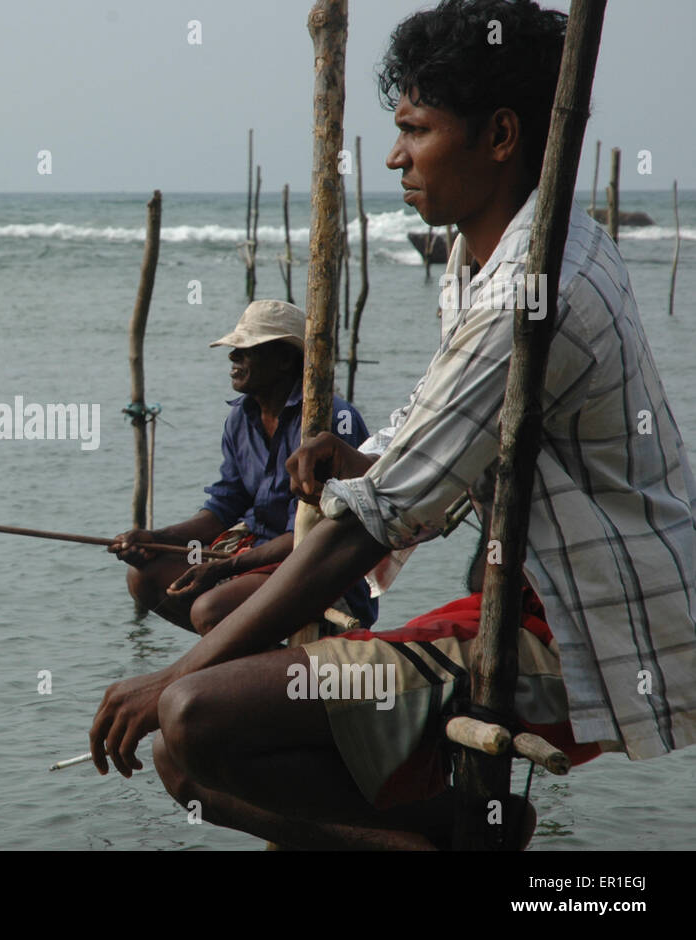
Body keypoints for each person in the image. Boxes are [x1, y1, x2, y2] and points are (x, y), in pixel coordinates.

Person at [88, 0, 696, 850]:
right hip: (518, 610)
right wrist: (361, 456)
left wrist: (169, 677)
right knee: (186, 768)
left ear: (502, 136)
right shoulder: (480, 258)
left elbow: (368, 529)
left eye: (416, 130)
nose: (397, 157)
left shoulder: (533, 294)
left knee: (193, 712)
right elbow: (425, 444)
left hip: (583, 636)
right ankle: (450, 836)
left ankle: (469, 837)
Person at [110, 300, 376, 635]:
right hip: (254, 554)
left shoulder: (330, 420)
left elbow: (315, 531)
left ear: (283, 360)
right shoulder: (241, 417)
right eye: (234, 350)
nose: (233, 358)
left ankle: (242, 657)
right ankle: (251, 651)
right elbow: (225, 506)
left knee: (211, 609)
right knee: (143, 576)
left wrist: (223, 569)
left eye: (246, 350)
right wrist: (155, 538)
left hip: (318, 564)